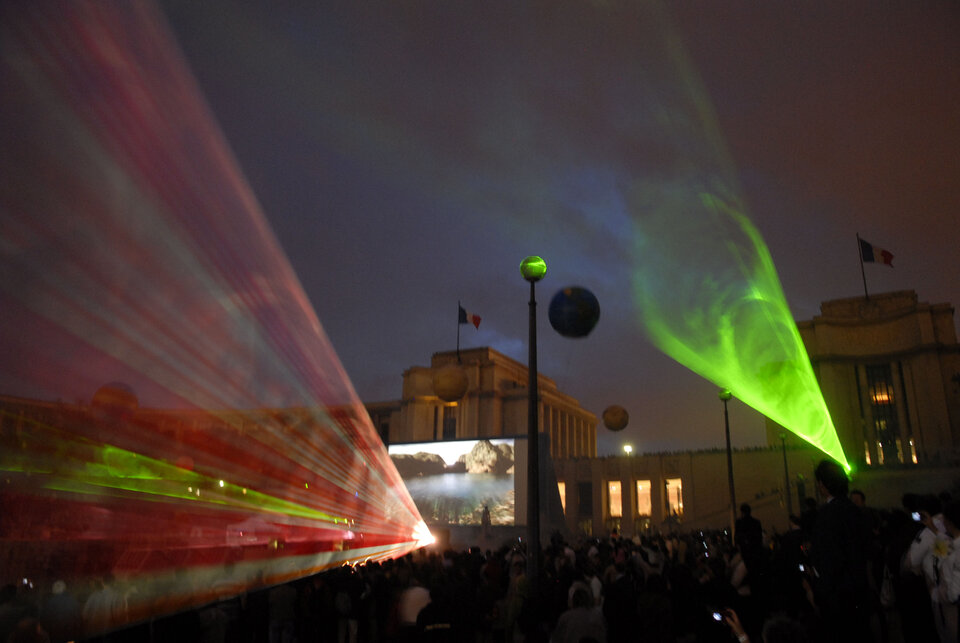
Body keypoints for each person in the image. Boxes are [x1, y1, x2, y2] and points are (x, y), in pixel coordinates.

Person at [808, 459, 869, 643]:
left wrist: (819, 590)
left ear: (823, 485)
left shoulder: (827, 514)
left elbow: (828, 559)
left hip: (837, 595)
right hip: (857, 589)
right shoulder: (854, 511)